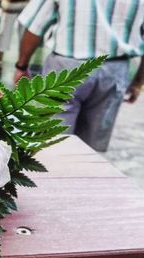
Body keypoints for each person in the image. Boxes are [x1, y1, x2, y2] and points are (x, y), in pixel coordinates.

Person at [14, 0, 144, 152]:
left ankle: (57, 172)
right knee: (92, 148)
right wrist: (138, 82)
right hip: (114, 70)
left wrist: (21, 66)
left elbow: (35, 26)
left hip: (65, 68)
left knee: (53, 140)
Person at [0, 0, 29, 75]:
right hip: (25, 5)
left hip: (12, 4)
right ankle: (22, 65)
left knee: (4, 32)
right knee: (23, 35)